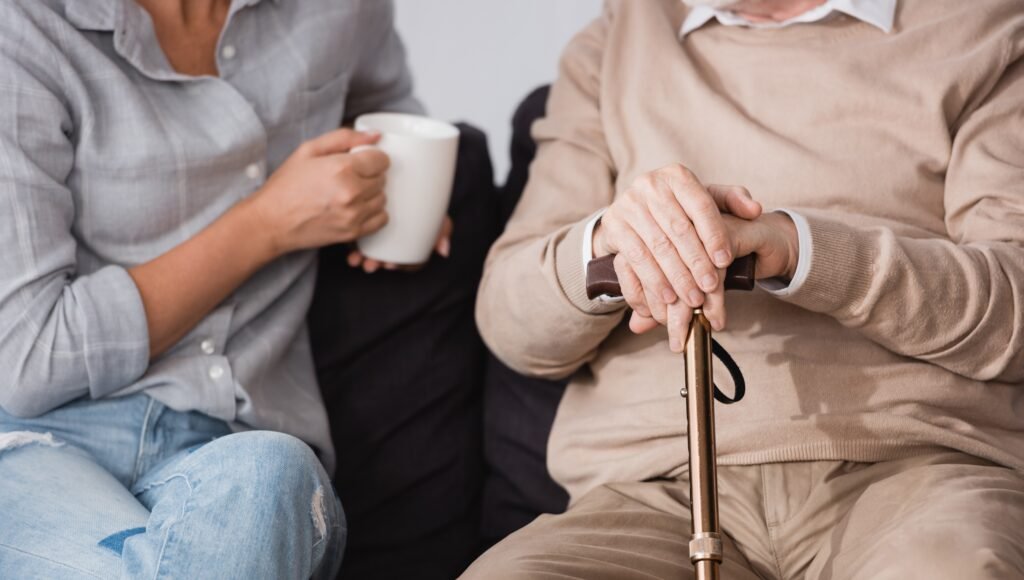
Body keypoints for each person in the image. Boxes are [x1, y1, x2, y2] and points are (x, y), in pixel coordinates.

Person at [467, 0, 1024, 577]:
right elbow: (512, 325)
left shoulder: (986, 27)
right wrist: (609, 242)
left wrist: (800, 250)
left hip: (918, 472)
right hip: (653, 495)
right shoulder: (615, 39)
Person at [0, 0, 445, 577]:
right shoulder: (25, 27)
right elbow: (28, 355)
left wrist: (403, 206)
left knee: (271, 474)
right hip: (46, 441)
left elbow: (390, 114)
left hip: (242, 449)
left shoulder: (341, 10)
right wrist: (265, 225)